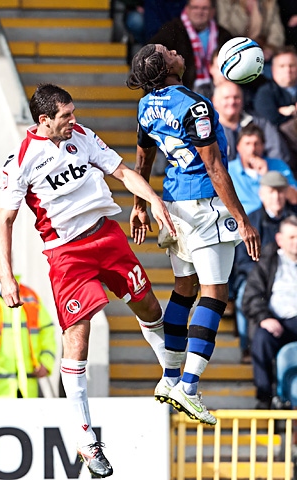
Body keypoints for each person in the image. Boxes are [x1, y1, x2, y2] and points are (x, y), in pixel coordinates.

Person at [0, 83, 177, 479]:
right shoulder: (21, 160)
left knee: (149, 306)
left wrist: (154, 201)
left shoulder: (82, 136)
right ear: (44, 121)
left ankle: (174, 379)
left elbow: (124, 172)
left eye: (74, 113)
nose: (73, 120)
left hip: (106, 235)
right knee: (78, 337)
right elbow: (4, 220)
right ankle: (84, 437)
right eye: (66, 116)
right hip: (67, 253)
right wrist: (7, 278)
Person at [126, 43, 260, 425]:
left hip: (171, 205)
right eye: (167, 52)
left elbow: (143, 156)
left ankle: (169, 378)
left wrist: (139, 204)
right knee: (215, 294)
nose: (174, 50)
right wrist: (242, 219)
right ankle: (188, 387)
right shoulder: (194, 105)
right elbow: (214, 165)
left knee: (184, 289)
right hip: (204, 206)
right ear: (165, 68)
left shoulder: (146, 104)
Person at [233, 171, 297, 363]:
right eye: (271, 192)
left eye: (280, 191)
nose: (276, 197)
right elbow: (242, 260)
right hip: (257, 277)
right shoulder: (251, 221)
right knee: (246, 293)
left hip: (287, 275)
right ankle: (248, 346)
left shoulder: (294, 220)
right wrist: (262, 277)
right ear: (261, 194)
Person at [0, 244, 56, 398]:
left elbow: (47, 329)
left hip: (24, 389)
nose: (3, 265)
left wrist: (46, 361)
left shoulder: (28, 294)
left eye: (7, 260)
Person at [242, 215, 297, 409]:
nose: (296, 242)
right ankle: (265, 397)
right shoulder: (268, 262)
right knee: (261, 339)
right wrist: (264, 318)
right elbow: (250, 297)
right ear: (280, 239)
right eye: (292, 237)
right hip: (277, 322)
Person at [149, 0, 232, 91]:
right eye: (195, 7)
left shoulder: (223, 35)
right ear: (187, 9)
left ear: (213, 12)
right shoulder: (171, 31)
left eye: (205, 8)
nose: (200, 12)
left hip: (217, 89)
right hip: (182, 90)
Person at [212, 81, 290, 162]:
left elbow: (278, 154)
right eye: (226, 98)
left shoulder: (260, 124)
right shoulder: (208, 128)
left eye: (236, 97)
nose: (232, 102)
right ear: (214, 101)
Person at [228, 123, 297, 214]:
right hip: (244, 221)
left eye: (256, 144)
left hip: (274, 221)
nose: (252, 149)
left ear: (263, 146)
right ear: (238, 147)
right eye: (247, 144)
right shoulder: (229, 170)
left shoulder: (278, 165)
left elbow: (294, 198)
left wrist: (267, 176)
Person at [216, 0, 285, 77]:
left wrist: (270, 48)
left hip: (261, 50)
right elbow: (224, 28)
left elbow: (276, 30)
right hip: (234, 50)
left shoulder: (269, 2)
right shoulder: (226, 2)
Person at [254, 46, 297, 127]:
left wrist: (287, 112)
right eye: (282, 66)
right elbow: (271, 122)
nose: (288, 70)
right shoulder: (264, 93)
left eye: (292, 65)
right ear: (273, 69)